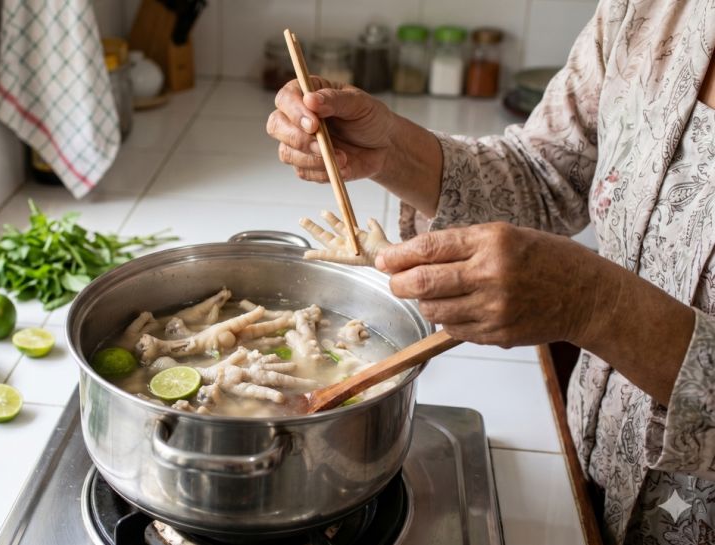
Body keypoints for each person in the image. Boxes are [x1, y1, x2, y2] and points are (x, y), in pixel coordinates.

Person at [267, 1, 715, 544]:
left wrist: (600, 306)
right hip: (587, 473)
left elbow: (597, 300)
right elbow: (547, 172)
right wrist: (391, 148)